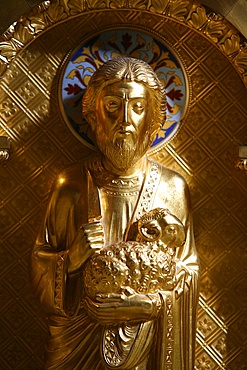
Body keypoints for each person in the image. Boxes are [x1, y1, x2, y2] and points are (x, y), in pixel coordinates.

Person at [30, 57, 199, 369]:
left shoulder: (172, 188)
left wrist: (149, 305)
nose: (124, 119)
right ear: (94, 116)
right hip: (77, 341)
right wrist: (71, 259)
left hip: (147, 341)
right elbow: (40, 260)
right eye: (112, 105)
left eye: (136, 106)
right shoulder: (71, 185)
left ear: (152, 119)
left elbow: (187, 272)